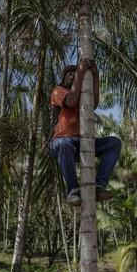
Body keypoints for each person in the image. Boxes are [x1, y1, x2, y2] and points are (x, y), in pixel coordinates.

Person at [49, 59, 122, 206]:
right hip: (59, 142)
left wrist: (96, 77)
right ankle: (72, 190)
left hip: (81, 143)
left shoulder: (82, 96)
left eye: (74, 74)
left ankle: (99, 186)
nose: (71, 76)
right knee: (65, 143)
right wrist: (80, 71)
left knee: (114, 143)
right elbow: (70, 101)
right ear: (63, 79)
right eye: (69, 74)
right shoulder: (58, 91)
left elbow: (93, 104)